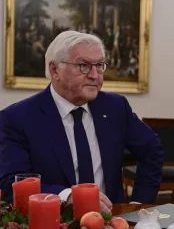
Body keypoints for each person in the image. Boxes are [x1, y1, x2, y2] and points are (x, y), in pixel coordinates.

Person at [0, 30, 163, 213]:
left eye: (99, 65)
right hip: (53, 226)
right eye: (83, 65)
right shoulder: (18, 118)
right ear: (55, 70)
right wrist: (67, 197)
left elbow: (152, 149)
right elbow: (12, 183)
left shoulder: (115, 108)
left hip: (111, 227)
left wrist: (139, 204)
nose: (95, 75)